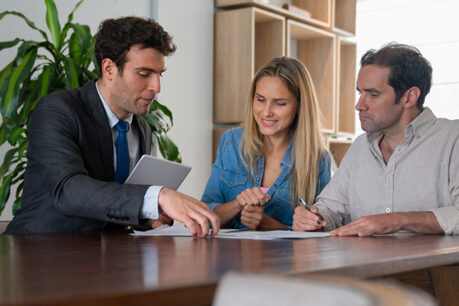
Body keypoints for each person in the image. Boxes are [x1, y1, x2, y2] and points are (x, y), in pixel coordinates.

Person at [4, 17, 219, 236]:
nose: (156, 87)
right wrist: (159, 196)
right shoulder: (57, 110)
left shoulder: (141, 128)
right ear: (109, 68)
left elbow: (115, 206)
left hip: (105, 258)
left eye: (159, 74)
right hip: (37, 253)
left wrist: (149, 215)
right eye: (144, 74)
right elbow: (69, 191)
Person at [293, 43, 459, 236]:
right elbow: (330, 210)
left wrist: (398, 220)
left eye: (373, 94)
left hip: (433, 266)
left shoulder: (452, 138)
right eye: (359, 92)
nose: (359, 105)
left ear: (409, 97)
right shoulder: (361, 147)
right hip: (365, 265)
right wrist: (312, 218)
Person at [202, 57, 331, 230]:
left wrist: (266, 223)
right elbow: (206, 214)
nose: (266, 112)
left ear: (299, 106)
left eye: (280, 103)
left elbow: (317, 235)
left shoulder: (318, 160)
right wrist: (238, 204)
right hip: (226, 256)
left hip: (281, 257)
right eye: (260, 99)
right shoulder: (231, 142)